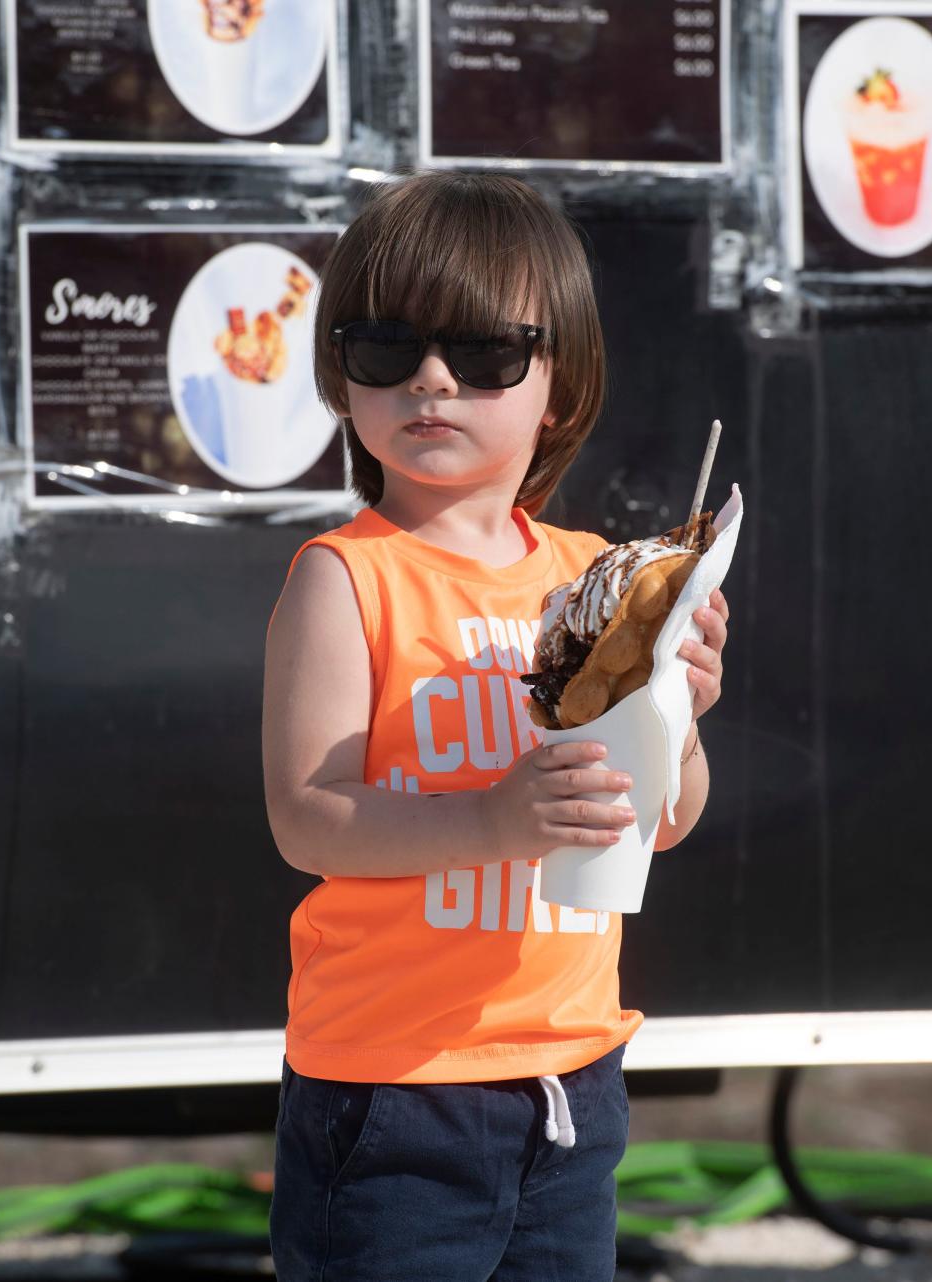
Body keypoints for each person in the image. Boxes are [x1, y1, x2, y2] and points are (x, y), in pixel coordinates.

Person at [262, 171, 730, 1282]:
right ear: (342, 378)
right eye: (386, 347)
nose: (432, 378)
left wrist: (683, 716)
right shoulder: (344, 578)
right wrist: (494, 818)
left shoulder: (598, 576)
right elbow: (310, 817)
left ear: (556, 387)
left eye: (484, 353)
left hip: (573, 1076)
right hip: (391, 1092)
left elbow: (661, 823)